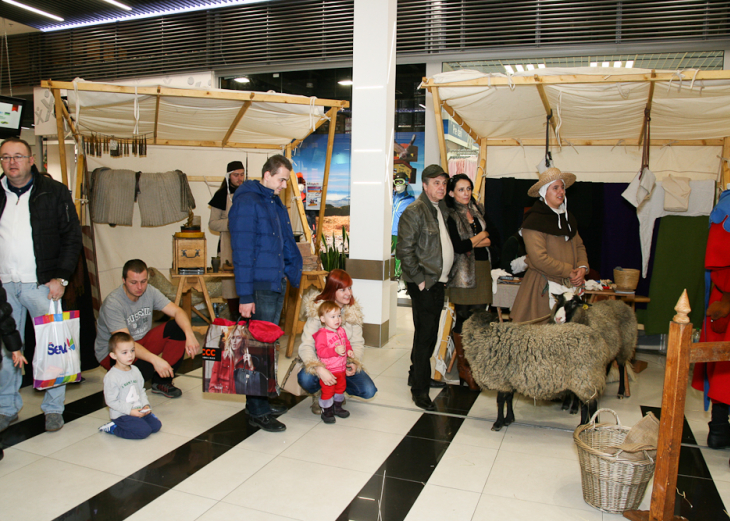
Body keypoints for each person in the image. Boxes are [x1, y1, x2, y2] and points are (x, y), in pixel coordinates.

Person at [0, 137, 82, 433]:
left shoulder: (54, 192)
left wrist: (60, 277)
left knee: (52, 346)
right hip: (4, 286)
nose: (12, 162)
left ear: (31, 159)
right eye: (6, 157)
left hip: (42, 285)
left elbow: (72, 238)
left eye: (18, 156)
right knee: (8, 349)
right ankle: (7, 408)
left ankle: (53, 408)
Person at [229, 154, 303, 432]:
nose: (284, 184)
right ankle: (256, 409)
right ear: (267, 175)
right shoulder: (248, 202)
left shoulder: (271, 200)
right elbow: (243, 253)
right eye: (282, 178)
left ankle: (264, 396)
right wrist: (245, 296)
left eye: (286, 179)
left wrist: (289, 270)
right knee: (256, 349)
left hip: (273, 282)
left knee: (268, 346)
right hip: (258, 286)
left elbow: (282, 241)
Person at [94, 259, 200, 399]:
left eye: (143, 281)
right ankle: (125, 378)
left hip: (140, 342)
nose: (139, 287)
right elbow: (124, 344)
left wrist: (190, 334)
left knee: (177, 327)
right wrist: (155, 360)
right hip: (114, 353)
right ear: (123, 280)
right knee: (143, 369)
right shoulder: (113, 303)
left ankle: (162, 382)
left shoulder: (149, 291)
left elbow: (177, 312)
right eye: (133, 282)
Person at [396, 164, 454, 411]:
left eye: (444, 183)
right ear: (425, 185)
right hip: (425, 283)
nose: (441, 187)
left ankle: (416, 374)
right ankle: (419, 391)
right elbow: (404, 251)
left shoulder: (439, 208)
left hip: (438, 282)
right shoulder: (415, 211)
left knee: (427, 334)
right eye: (436, 183)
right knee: (425, 337)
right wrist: (420, 280)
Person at [511, 168, 588, 324]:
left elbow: (579, 245)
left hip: (569, 286)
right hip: (543, 286)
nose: (561, 192)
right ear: (544, 192)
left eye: (562, 187)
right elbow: (538, 258)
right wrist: (569, 272)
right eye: (555, 188)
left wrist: (582, 268)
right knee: (542, 337)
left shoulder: (568, 218)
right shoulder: (534, 221)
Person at [444, 173, 499, 390]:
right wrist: (481, 236)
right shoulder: (451, 215)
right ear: (451, 193)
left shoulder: (478, 210)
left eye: (468, 189)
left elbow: (494, 237)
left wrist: (475, 240)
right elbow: (458, 246)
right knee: (463, 318)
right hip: (462, 273)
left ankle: (477, 365)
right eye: (460, 189)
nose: (466, 193)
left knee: (480, 318)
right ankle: (463, 368)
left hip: (484, 269)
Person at [297, 269, 377, 413]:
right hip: (321, 360)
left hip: (342, 364)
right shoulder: (319, 311)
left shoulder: (353, 312)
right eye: (342, 290)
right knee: (305, 378)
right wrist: (319, 368)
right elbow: (306, 345)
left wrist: (353, 362)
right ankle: (320, 393)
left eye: (350, 288)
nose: (348, 293)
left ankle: (337, 392)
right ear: (333, 290)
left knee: (368, 390)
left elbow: (358, 343)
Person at [691, 187, 730, 450]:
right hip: (726, 300)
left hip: (725, 297)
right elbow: (718, 261)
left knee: (723, 368)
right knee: (722, 365)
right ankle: (718, 429)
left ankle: (718, 430)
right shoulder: (726, 209)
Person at [98, 332, 162, 440]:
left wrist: (145, 405)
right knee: (143, 432)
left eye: (132, 350)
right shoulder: (112, 376)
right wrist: (130, 411)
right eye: (124, 352)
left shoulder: (135, 370)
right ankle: (114, 428)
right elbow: (111, 401)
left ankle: (139, 420)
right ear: (113, 355)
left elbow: (141, 390)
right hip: (122, 414)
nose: (130, 355)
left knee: (156, 426)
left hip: (138, 410)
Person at [208, 161, 246, 317]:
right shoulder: (221, 195)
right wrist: (232, 222)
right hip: (229, 245)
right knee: (231, 283)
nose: (239, 178)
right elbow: (213, 224)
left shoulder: (249, 193)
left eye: (242, 174)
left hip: (248, 245)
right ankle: (234, 318)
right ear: (228, 176)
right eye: (236, 175)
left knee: (247, 280)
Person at [312, 300, 353, 423]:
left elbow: (347, 343)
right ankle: (327, 410)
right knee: (328, 390)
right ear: (323, 319)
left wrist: (349, 350)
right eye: (332, 317)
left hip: (341, 369)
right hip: (329, 371)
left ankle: (337, 407)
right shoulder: (322, 334)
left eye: (339, 316)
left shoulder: (341, 331)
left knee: (340, 388)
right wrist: (334, 350)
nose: (337, 319)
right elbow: (321, 352)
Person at [391, 171, 415, 282]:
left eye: (401, 182)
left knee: (399, 257)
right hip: (388, 232)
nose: (398, 185)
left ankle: (399, 278)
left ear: (406, 183)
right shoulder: (393, 197)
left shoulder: (410, 200)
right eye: (396, 182)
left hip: (400, 233)